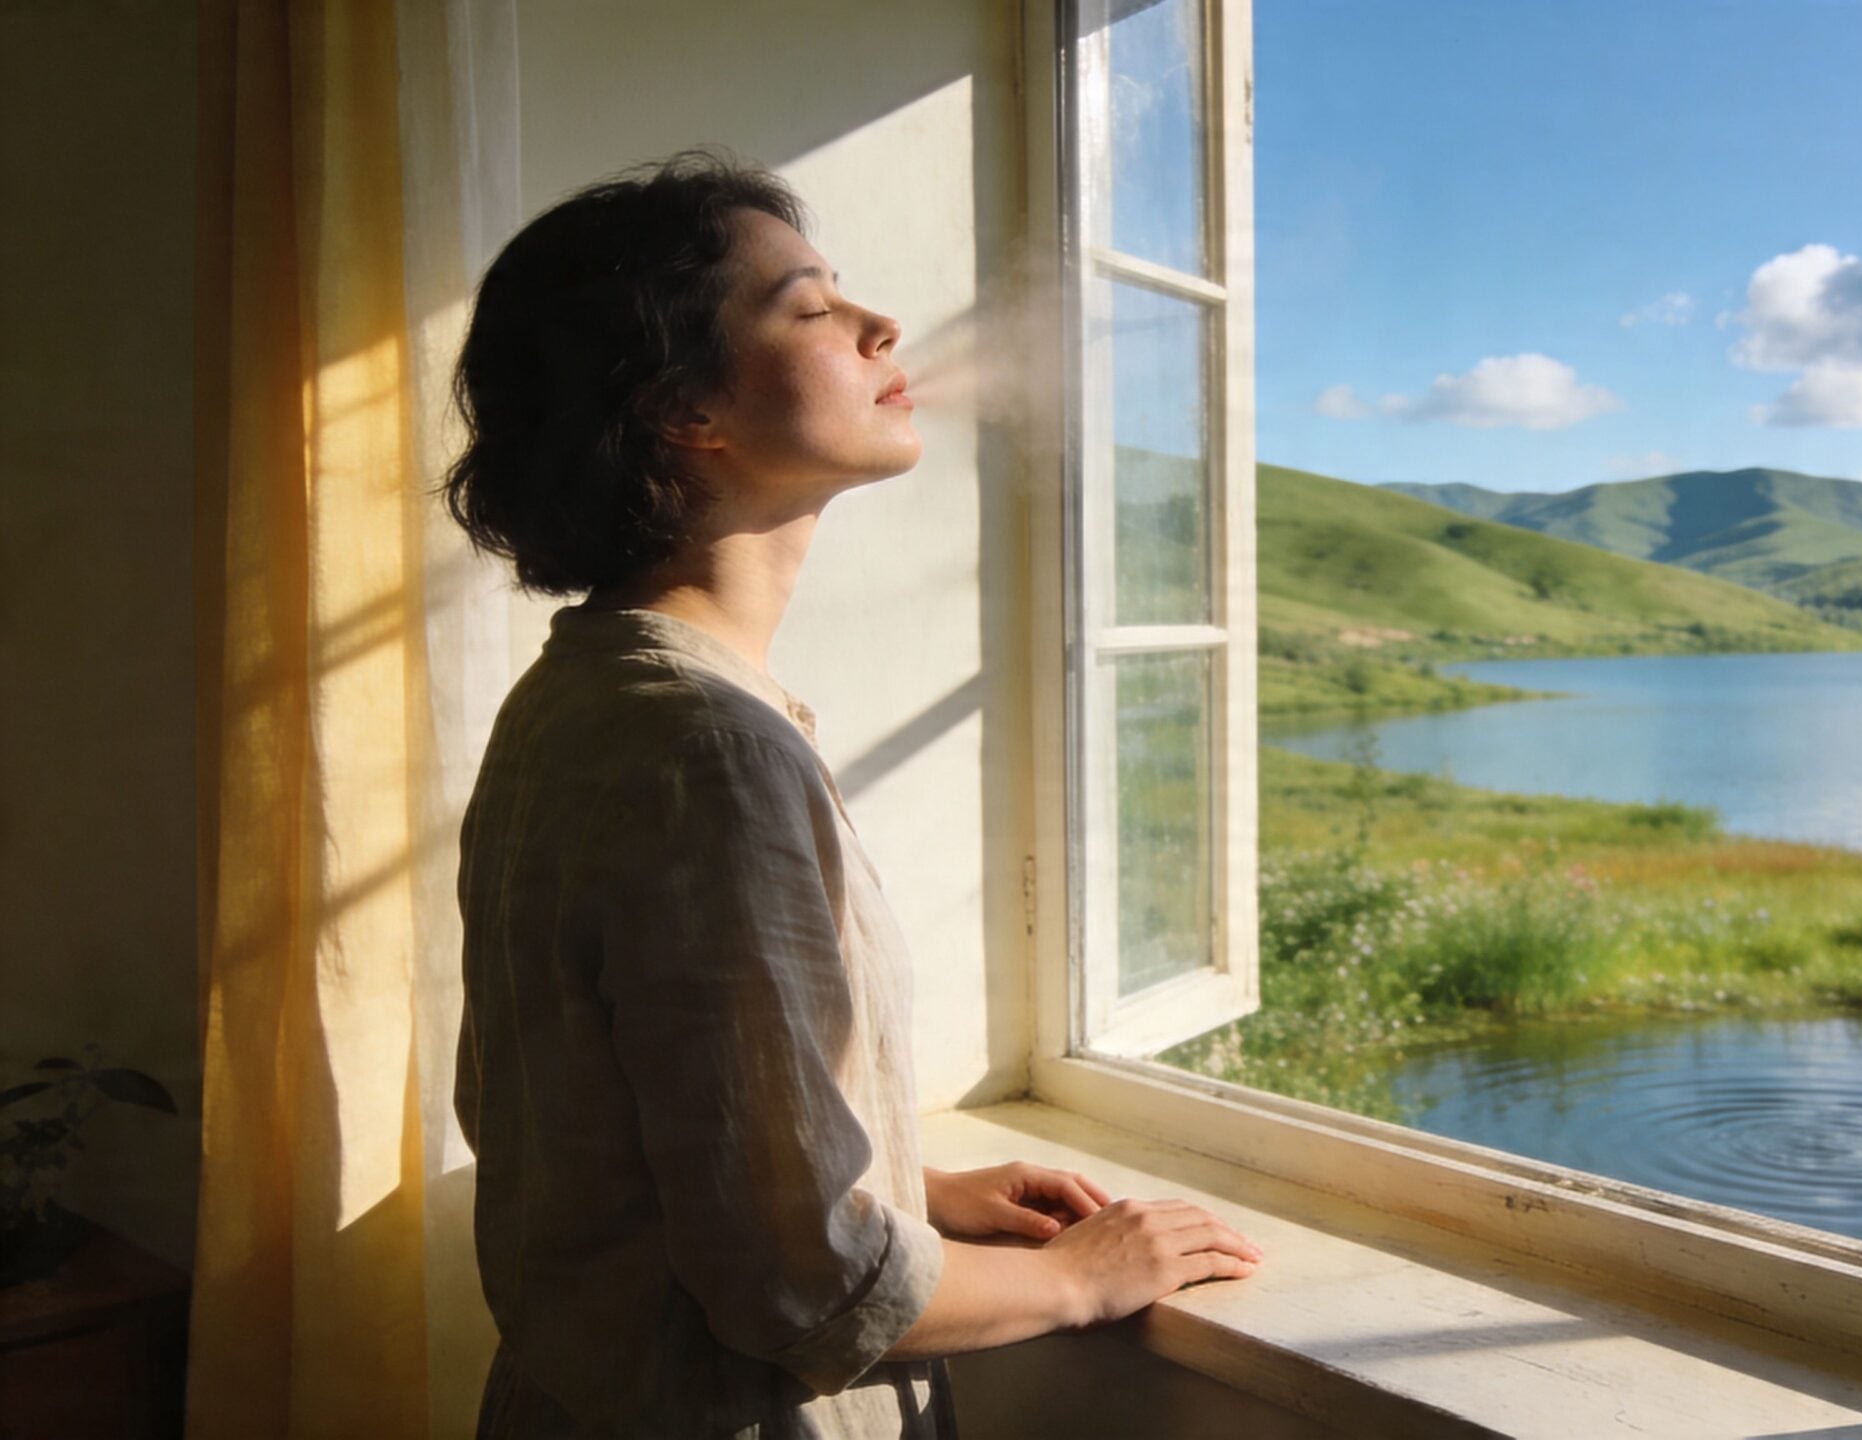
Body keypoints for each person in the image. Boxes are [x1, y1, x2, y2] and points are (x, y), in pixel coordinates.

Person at [443, 151, 1262, 1439]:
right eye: (813, 308)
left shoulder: (585, 696)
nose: (883, 327)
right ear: (680, 409)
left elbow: (627, 1111)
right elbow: (800, 1291)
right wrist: (1074, 1278)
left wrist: (905, 1181)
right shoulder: (705, 752)